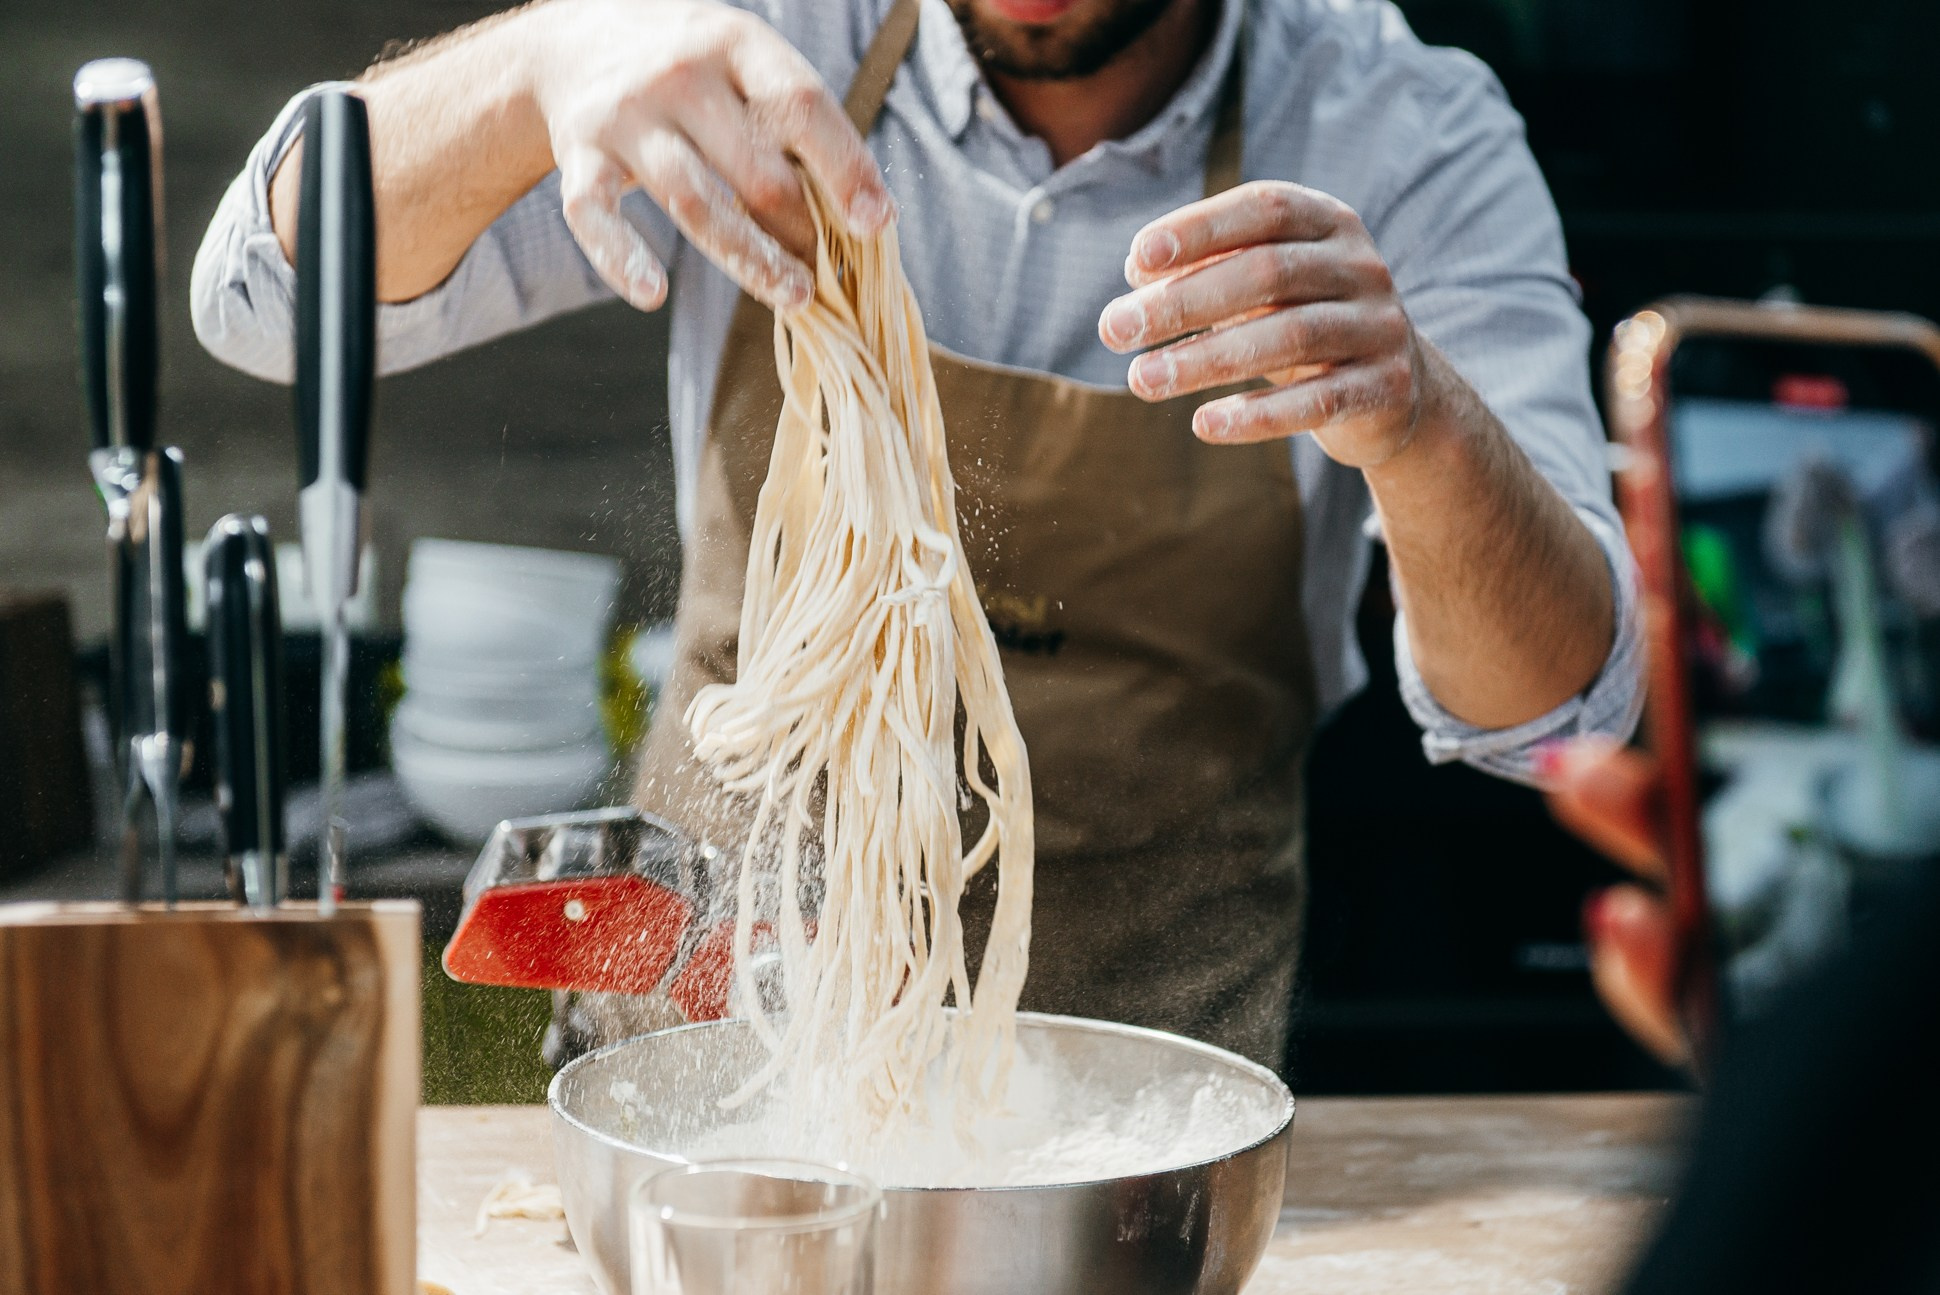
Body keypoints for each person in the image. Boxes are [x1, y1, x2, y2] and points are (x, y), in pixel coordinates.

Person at [193, 0, 1643, 1069]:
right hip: (706, 1077)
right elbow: (255, 300)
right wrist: (540, 65)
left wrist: (1423, 423)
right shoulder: (748, 38)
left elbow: (1559, 713)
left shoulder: (1400, 127)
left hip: (1135, 1115)